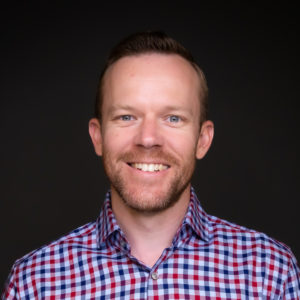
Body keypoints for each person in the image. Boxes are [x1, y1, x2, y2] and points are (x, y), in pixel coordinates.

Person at [2, 31, 300, 299]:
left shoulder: (270, 274)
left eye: (173, 118)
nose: (147, 139)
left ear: (203, 140)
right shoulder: (35, 283)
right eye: (126, 117)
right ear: (98, 137)